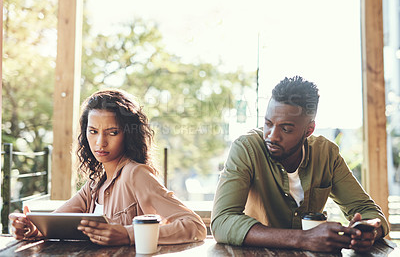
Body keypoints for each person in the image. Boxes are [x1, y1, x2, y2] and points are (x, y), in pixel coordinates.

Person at [211, 76, 389, 253]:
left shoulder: (327, 154)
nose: (272, 136)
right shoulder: (246, 149)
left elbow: (367, 210)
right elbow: (222, 221)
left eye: (286, 129)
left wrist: (368, 231)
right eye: (268, 123)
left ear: (309, 130)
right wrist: (303, 238)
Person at [10, 89, 207, 245]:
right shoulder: (95, 184)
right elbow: (54, 223)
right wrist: (31, 228)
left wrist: (128, 235)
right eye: (93, 132)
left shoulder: (136, 174)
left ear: (128, 135)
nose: (100, 143)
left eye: (112, 133)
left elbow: (195, 226)